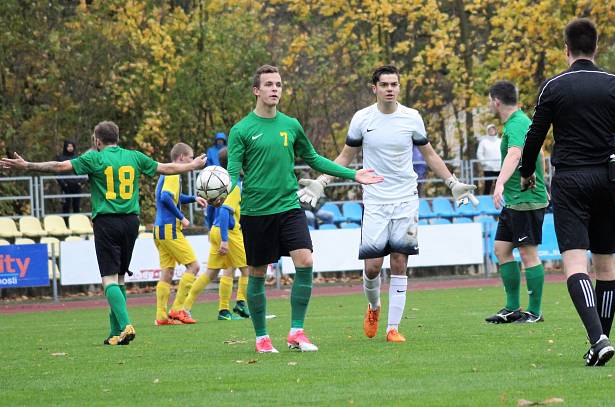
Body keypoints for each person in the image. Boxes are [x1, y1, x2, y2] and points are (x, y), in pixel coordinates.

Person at [296, 65, 478, 343]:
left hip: (406, 199)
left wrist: (453, 183)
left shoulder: (412, 118)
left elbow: (429, 155)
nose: (390, 89)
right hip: (375, 200)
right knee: (372, 267)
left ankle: (393, 328)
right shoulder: (362, 119)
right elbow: (345, 157)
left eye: (394, 84)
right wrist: (321, 182)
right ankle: (374, 306)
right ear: (375, 88)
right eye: (385, 84)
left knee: (399, 262)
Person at [0, 121, 206, 345]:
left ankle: (126, 325)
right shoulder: (134, 156)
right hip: (131, 222)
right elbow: (166, 168)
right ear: (117, 137)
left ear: (97, 141)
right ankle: (115, 332)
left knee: (108, 279)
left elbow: (59, 167)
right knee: (119, 278)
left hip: (107, 222)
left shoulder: (94, 158)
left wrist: (27, 164)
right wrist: (192, 166)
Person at [518, 18, 615, 366]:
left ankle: (598, 339)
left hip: (571, 179)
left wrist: (527, 172)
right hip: (607, 178)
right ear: (596, 47)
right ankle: (600, 340)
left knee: (575, 263)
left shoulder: (554, 87)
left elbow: (535, 135)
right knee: (606, 267)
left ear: (566, 49)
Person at [226, 64, 383, 353]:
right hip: (256, 213)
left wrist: (353, 174)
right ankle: (261, 337)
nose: (275, 89)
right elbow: (232, 173)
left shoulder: (291, 125)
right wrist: (222, 193)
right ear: (256, 90)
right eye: (269, 84)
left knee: (306, 261)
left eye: (279, 84)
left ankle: (296, 332)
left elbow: (314, 158)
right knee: (257, 273)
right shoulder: (241, 130)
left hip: (289, 206)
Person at [484, 81, 547, 325]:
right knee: (501, 249)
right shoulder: (515, 122)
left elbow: (515, 153)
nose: (490, 104)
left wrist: (498, 183)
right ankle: (512, 308)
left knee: (528, 253)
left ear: (496, 101)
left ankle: (534, 311)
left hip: (526, 198)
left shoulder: (519, 122)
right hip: (515, 200)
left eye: (490, 101)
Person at [182, 147, 251, 321]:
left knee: (213, 273)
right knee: (247, 270)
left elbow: (215, 209)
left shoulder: (219, 183)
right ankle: (241, 303)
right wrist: (225, 240)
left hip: (216, 230)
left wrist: (214, 232)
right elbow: (224, 211)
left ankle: (193, 307)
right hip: (228, 232)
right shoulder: (233, 184)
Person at [153, 142, 208, 326]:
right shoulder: (173, 173)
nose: (192, 161)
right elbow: (166, 197)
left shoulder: (169, 174)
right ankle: (177, 309)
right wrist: (182, 217)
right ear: (182, 157)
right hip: (169, 228)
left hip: (159, 229)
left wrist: (193, 198)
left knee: (167, 272)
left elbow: (173, 196)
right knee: (194, 266)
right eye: (191, 158)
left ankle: (161, 316)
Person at [205, 132, 227, 228]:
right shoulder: (211, 151)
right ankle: (211, 226)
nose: (220, 142)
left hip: (226, 179)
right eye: (218, 140)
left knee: (225, 205)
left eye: (222, 140)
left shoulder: (228, 150)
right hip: (214, 179)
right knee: (212, 204)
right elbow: (208, 164)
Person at [55, 140, 82, 213]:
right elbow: (57, 172)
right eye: (68, 146)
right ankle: (66, 222)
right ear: (65, 147)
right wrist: (63, 184)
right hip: (65, 185)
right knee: (66, 205)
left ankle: (77, 222)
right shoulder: (60, 158)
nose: (70, 148)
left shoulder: (77, 158)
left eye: (71, 146)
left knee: (76, 205)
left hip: (76, 185)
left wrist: (80, 182)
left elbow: (82, 170)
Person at [477, 124, 502, 195]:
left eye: (493, 129)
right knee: (488, 185)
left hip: (499, 167)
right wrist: (484, 163)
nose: (491, 131)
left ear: (495, 130)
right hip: (488, 168)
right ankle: (486, 202)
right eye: (490, 130)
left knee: (499, 186)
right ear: (487, 131)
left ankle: (500, 201)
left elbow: (505, 152)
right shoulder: (483, 142)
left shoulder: (500, 141)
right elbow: (479, 153)